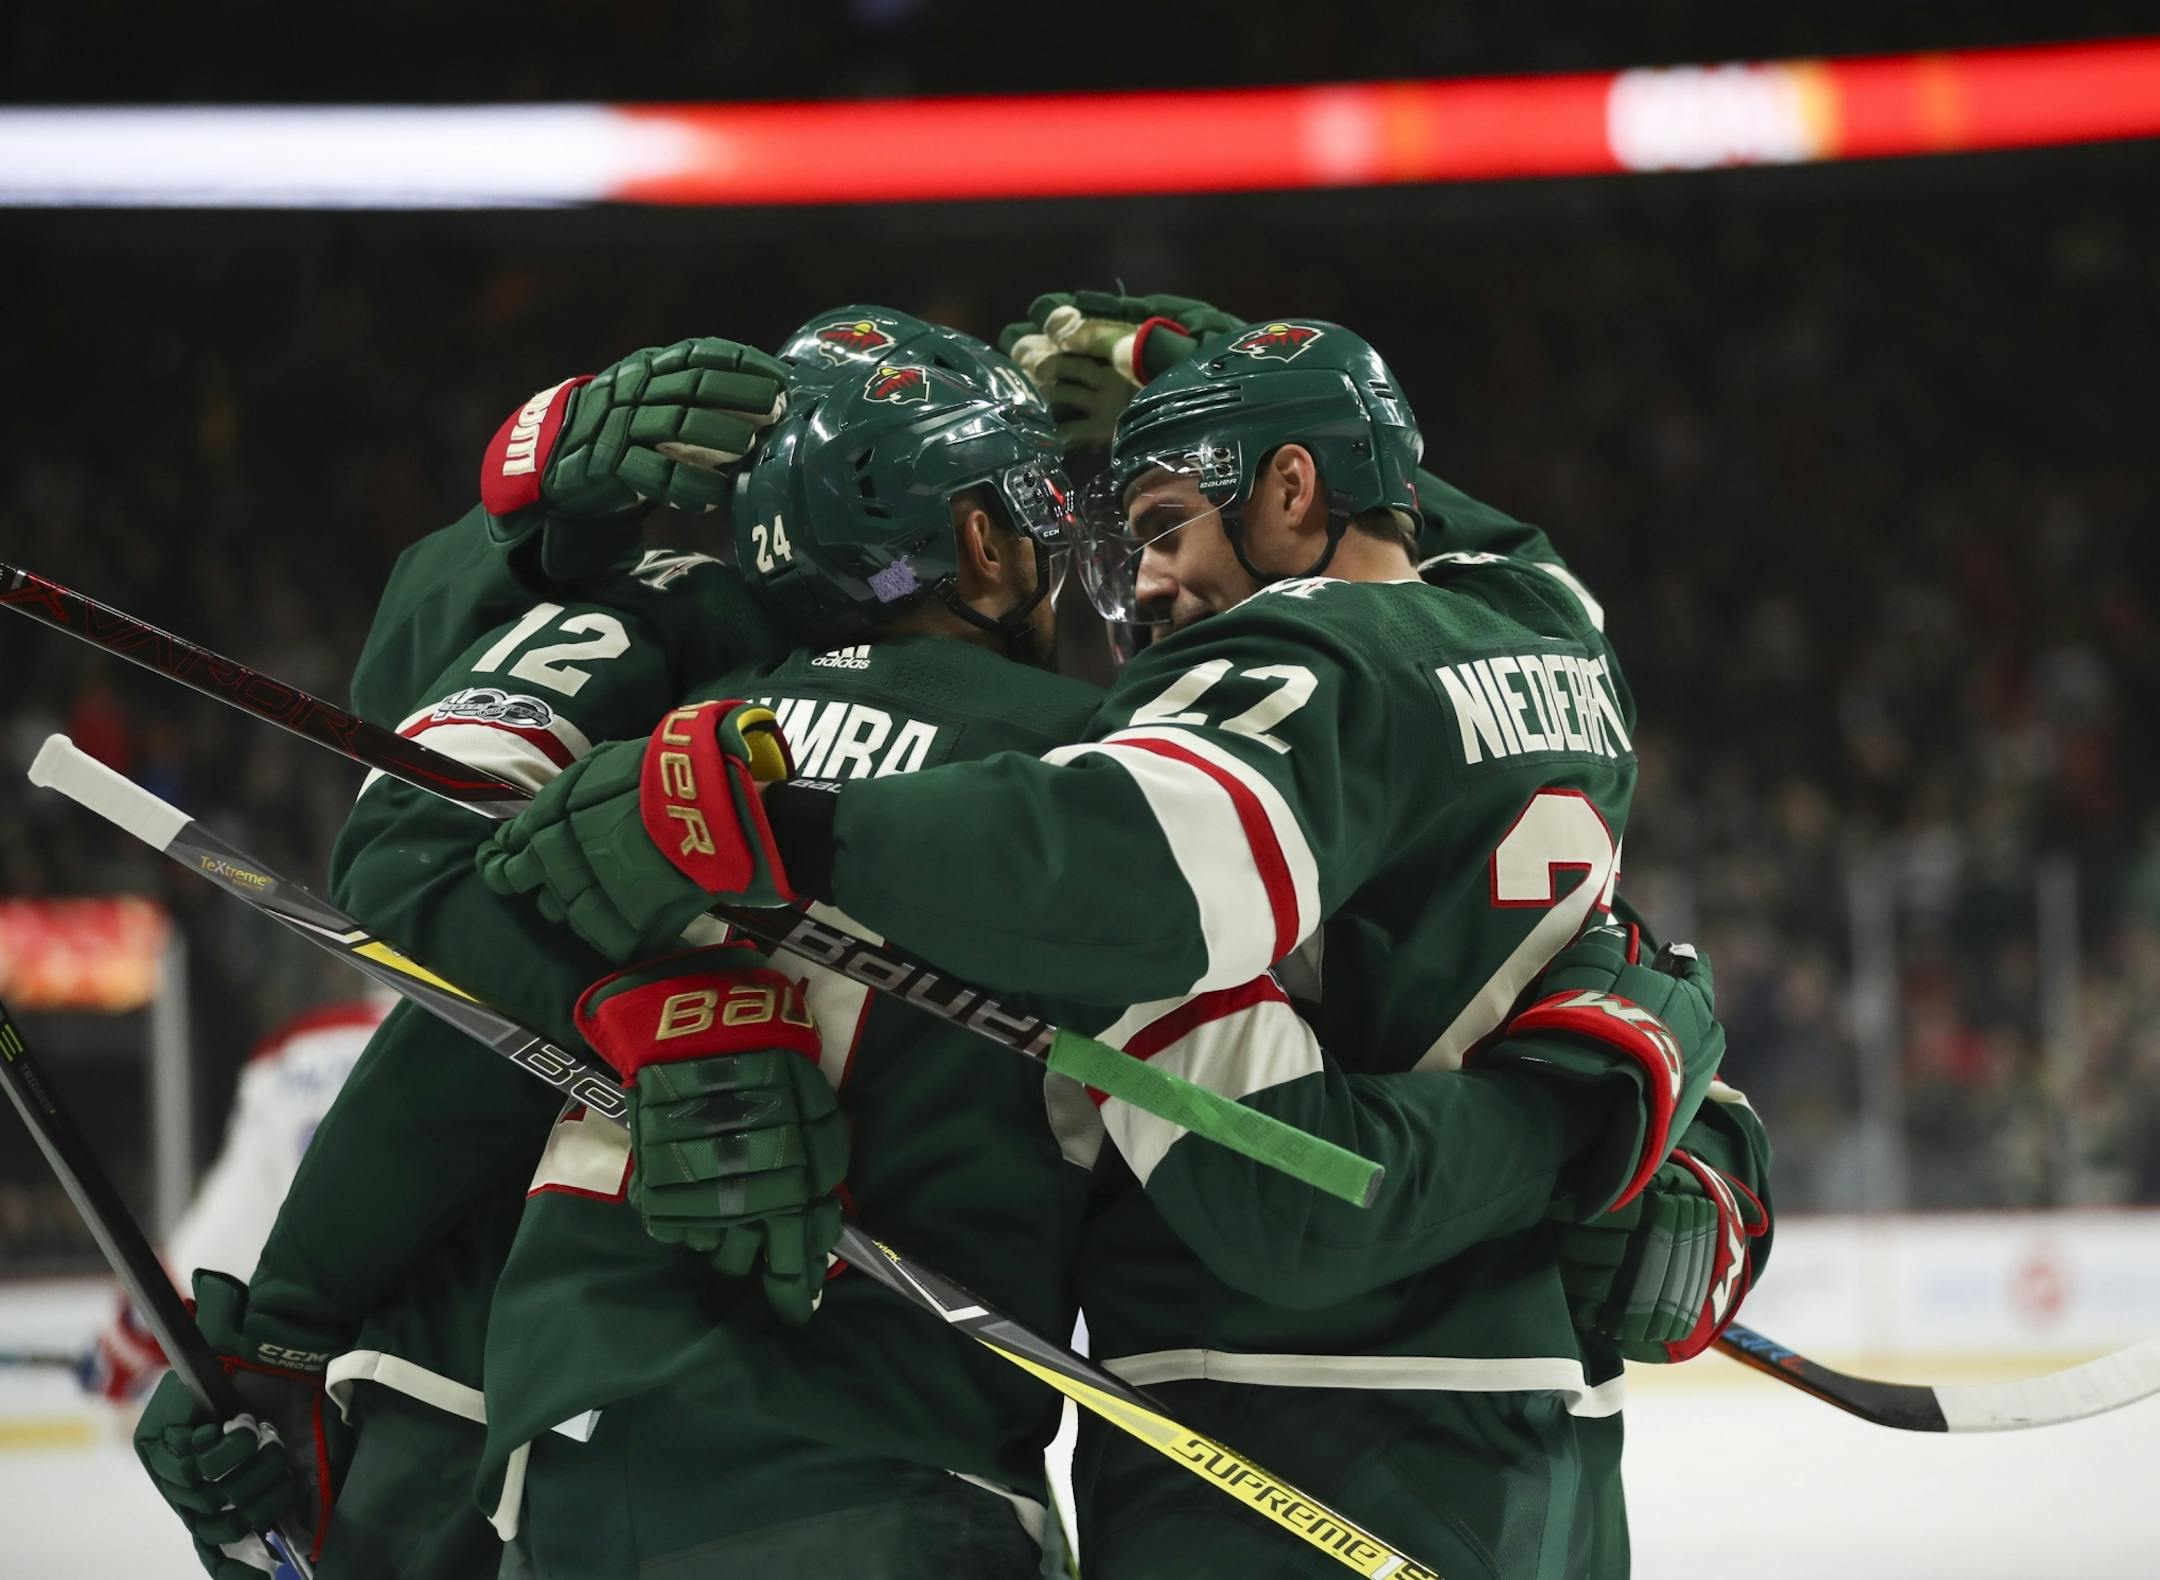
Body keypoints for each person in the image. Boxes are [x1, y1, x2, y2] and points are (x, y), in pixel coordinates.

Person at [481, 320, 1774, 1576]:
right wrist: (1664, 1086)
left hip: (1281, 1445)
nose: (1143, 584)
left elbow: (1243, 1103)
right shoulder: (1546, 622)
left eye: (1163, 525)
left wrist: (770, 829)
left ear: (1289, 488)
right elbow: (1446, 541)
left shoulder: (1277, 678)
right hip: (1554, 1437)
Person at [80, 998, 386, 1405]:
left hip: (294, 1065)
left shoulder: (282, 1067)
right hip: (417, 1031)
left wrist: (122, 1345)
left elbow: (203, 1265)